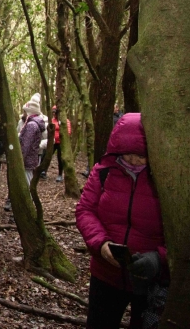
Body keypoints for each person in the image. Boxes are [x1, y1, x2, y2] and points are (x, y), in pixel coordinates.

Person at [76, 113, 168, 329]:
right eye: (129, 154)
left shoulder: (167, 180)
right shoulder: (104, 171)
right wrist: (101, 244)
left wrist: (159, 259)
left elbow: (186, 233)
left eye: (141, 155)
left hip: (150, 280)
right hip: (106, 273)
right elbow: (85, 210)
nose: (134, 161)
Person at [20, 98, 45, 185]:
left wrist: (20, 159)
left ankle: (30, 199)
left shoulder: (31, 125)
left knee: (27, 183)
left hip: (27, 160)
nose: (23, 113)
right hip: (31, 158)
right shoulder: (34, 124)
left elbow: (26, 144)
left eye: (25, 111)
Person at [52, 106, 72, 183]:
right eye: (52, 112)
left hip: (60, 143)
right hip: (53, 142)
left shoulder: (65, 121)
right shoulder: (52, 120)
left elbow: (68, 132)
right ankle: (43, 171)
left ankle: (60, 174)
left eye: (55, 112)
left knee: (60, 159)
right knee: (47, 155)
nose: (53, 114)